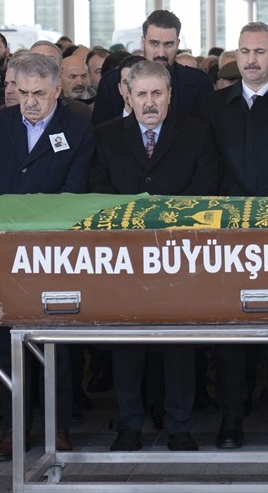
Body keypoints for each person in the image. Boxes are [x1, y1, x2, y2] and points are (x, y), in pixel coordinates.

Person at [0, 53, 95, 461]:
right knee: (6, 340)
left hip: (52, 248)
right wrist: (1, 218)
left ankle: (57, 427)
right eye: (21, 93)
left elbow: (75, 189)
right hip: (5, 246)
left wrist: (33, 224)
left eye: (38, 94)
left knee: (56, 340)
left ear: (58, 89)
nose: (29, 102)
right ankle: (13, 427)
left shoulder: (78, 127)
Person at [90, 60, 220, 453]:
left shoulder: (196, 133)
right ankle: (129, 424)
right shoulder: (107, 135)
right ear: (127, 96)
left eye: (157, 94)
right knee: (127, 343)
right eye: (141, 94)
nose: (149, 102)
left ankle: (179, 425)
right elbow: (98, 192)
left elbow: (205, 189)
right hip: (126, 258)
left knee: (179, 344)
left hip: (179, 255)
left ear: (169, 96)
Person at [196, 23, 268, 450]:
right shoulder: (213, 105)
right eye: (244, 51)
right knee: (231, 330)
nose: (250, 59)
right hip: (227, 233)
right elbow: (208, 165)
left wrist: (261, 209)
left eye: (260, 52)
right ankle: (232, 418)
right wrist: (233, 212)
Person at [92, 10, 211, 125]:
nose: (161, 53)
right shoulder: (112, 82)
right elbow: (102, 136)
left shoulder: (200, 83)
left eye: (168, 44)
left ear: (178, 44)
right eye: (154, 43)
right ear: (143, 42)